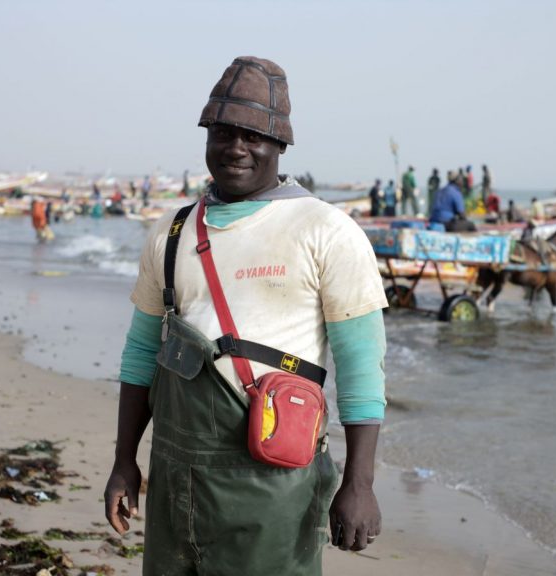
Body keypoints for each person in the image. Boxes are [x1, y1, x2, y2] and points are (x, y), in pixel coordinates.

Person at [103, 56, 386, 574]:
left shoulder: (327, 230)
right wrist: (125, 461)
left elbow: (362, 364)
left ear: (280, 146)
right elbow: (142, 353)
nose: (236, 147)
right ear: (207, 137)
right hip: (174, 474)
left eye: (253, 136)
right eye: (224, 133)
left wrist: (359, 483)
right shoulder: (171, 231)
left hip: (272, 483)